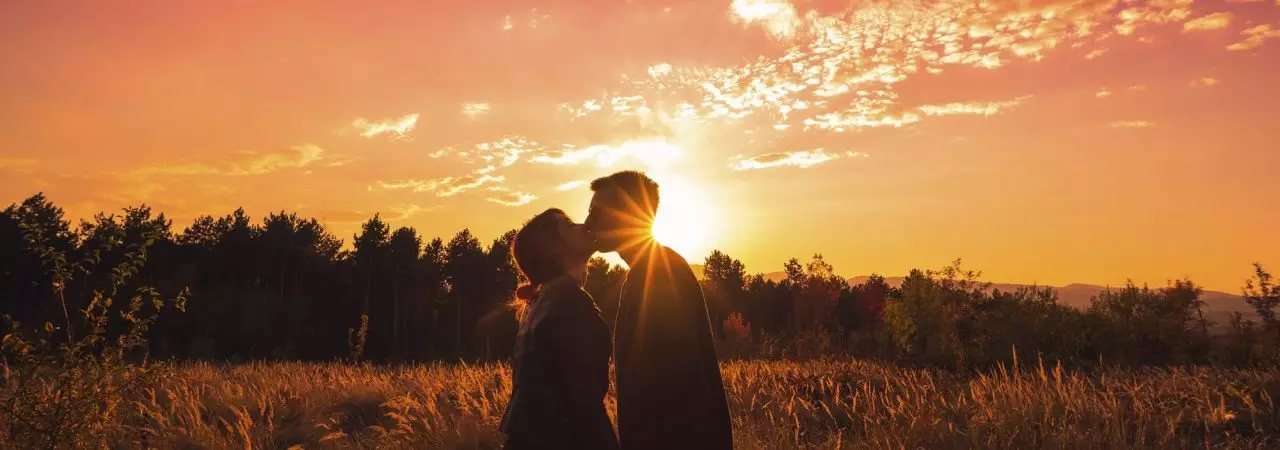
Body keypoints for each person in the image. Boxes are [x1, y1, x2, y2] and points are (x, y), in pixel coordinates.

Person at [584, 171, 734, 450]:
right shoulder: (645, 272)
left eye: (596, 213)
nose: (588, 223)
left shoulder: (662, 274)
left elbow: (679, 381)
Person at [499, 208, 619, 450]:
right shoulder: (569, 304)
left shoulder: (543, 301)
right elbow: (585, 405)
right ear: (555, 248)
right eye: (569, 224)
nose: (583, 225)